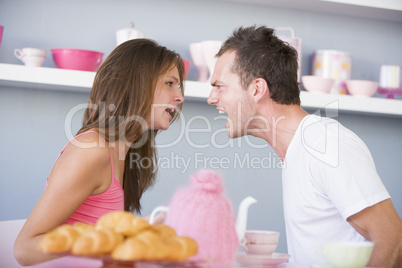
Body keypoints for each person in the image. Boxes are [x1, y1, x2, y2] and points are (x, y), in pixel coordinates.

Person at [207, 25, 402, 267]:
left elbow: (393, 239)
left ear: (257, 89)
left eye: (219, 86)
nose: (212, 98)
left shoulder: (324, 143)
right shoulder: (298, 150)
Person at [14, 38, 185, 266]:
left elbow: (103, 235)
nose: (180, 97)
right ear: (137, 83)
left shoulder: (125, 151)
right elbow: (24, 249)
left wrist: (140, 230)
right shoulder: (93, 150)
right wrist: (118, 236)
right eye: (170, 83)